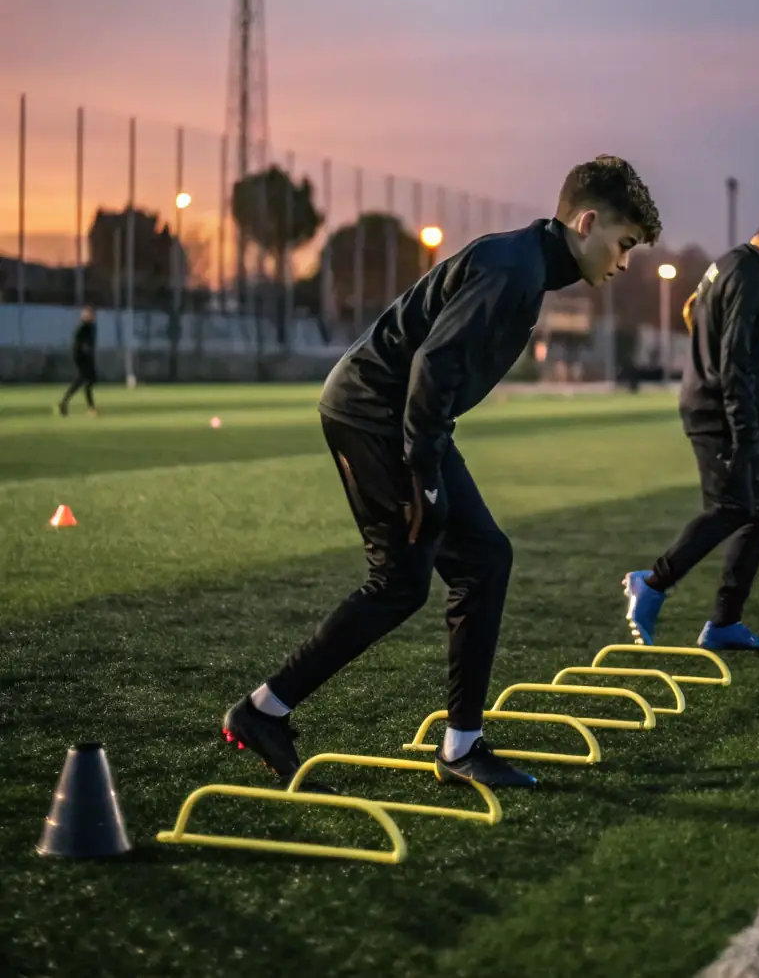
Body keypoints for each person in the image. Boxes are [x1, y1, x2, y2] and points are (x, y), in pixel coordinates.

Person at [224, 156, 662, 788]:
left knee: (482, 560)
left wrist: (428, 460)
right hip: (376, 414)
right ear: (587, 222)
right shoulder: (515, 269)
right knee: (400, 583)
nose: (623, 263)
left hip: (402, 419)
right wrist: (425, 475)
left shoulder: (528, 265)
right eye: (622, 245)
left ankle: (458, 747)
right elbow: (432, 365)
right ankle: (263, 710)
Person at [622, 193, 759, 652]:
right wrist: (746, 435)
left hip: (715, 402)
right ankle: (652, 582)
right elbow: (734, 364)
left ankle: (725, 623)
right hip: (718, 410)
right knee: (735, 506)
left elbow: (696, 312)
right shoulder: (753, 276)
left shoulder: (729, 263)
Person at [57, 307, 98, 417]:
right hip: (82, 358)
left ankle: (65, 403)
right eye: (89, 314)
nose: (92, 316)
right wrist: (83, 354)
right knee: (84, 381)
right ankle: (89, 407)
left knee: (87, 381)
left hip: (89, 358)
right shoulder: (82, 328)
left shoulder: (92, 327)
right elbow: (78, 345)